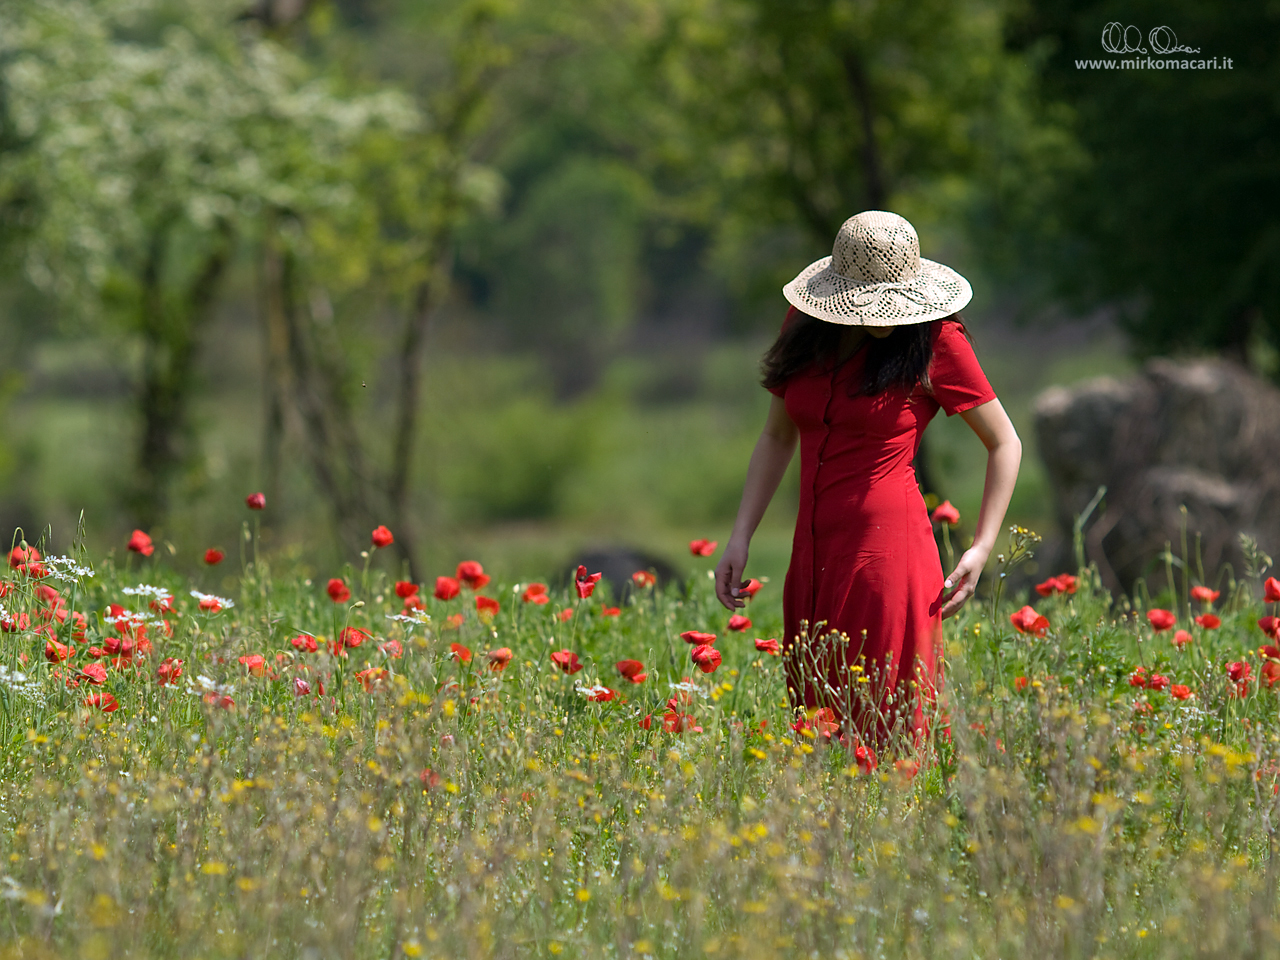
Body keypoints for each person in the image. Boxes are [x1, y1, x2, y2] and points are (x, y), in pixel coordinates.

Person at [714, 210, 1021, 750]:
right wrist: (740, 534)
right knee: (818, 725)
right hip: (810, 551)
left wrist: (981, 547)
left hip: (888, 556)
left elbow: (1004, 442)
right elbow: (777, 438)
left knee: (886, 723)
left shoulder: (936, 340)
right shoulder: (804, 330)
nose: (884, 314)